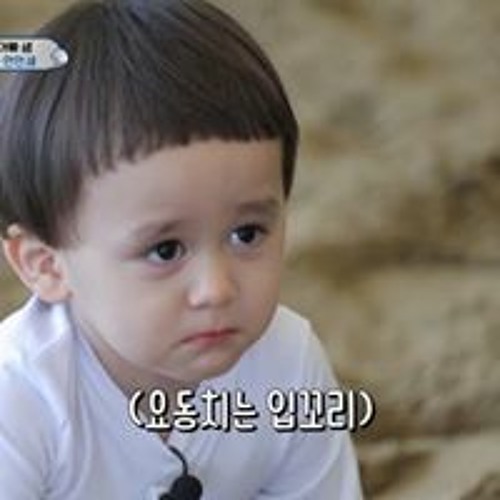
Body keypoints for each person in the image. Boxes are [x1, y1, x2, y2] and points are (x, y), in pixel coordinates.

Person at [0, 0, 363, 498]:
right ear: (46, 265)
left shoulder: (288, 364)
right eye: (166, 250)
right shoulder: (20, 400)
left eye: (247, 234)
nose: (216, 289)